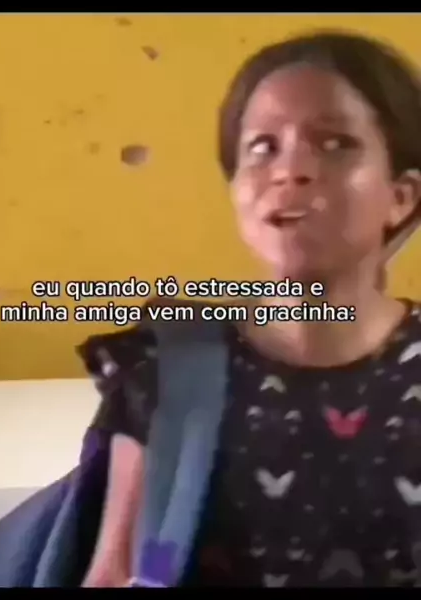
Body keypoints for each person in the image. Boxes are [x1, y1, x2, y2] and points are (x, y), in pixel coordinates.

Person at [78, 29, 421, 587]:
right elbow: (132, 569)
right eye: (262, 147)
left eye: (335, 143)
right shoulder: (172, 369)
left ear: (400, 196)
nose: (289, 171)